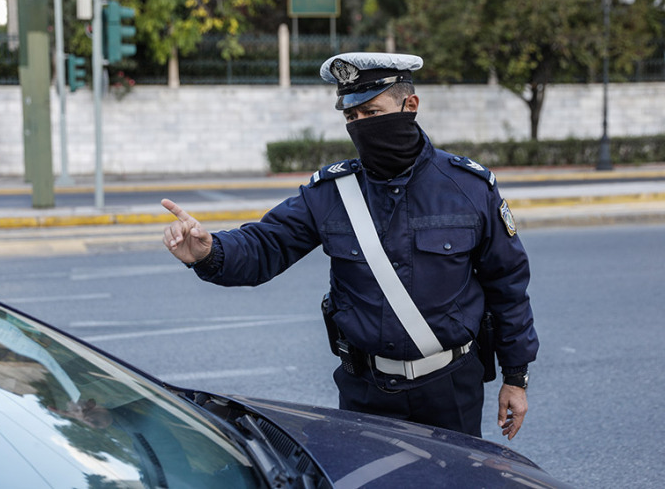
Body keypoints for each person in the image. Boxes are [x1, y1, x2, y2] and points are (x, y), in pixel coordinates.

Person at [162, 52, 538, 439]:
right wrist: (210, 251)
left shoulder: (468, 187)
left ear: (410, 105)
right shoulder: (331, 192)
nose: (361, 125)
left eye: (372, 113)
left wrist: (516, 377)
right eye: (351, 117)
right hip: (365, 391)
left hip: (451, 388)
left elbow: (507, 285)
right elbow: (266, 244)